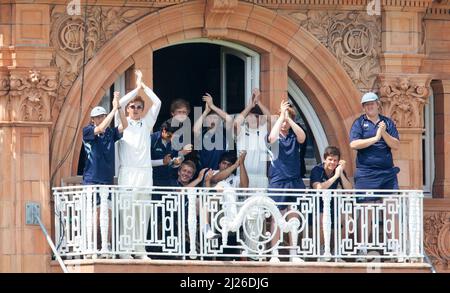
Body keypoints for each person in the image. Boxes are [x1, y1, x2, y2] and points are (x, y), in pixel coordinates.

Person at [349, 91, 400, 261]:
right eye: (366, 104)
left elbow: (396, 145)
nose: (369, 106)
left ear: (378, 104)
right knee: (366, 212)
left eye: (372, 103)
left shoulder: (387, 122)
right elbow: (353, 144)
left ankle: (394, 250)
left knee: (391, 210)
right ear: (363, 108)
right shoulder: (359, 123)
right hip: (366, 174)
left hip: (387, 174)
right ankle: (362, 250)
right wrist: (375, 137)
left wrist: (383, 133)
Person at [117, 70, 161, 260]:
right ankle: (125, 251)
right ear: (128, 109)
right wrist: (135, 88)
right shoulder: (123, 123)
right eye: (132, 106)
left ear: (142, 110)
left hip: (144, 172)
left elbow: (158, 102)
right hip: (127, 173)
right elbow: (118, 104)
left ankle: (140, 250)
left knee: (143, 213)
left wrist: (144, 87)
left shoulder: (147, 124)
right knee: (126, 212)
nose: (135, 109)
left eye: (138, 107)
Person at [82, 91, 128, 257]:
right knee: (94, 214)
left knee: (106, 213)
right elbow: (100, 128)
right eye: (98, 117)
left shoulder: (109, 133)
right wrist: (113, 110)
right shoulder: (88, 130)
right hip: (92, 180)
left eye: (103, 116)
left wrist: (119, 108)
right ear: (93, 119)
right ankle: (93, 245)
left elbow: (124, 126)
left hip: (106, 180)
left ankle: (106, 246)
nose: (101, 119)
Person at [267, 100, 306, 263]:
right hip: (278, 180)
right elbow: (272, 137)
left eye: (287, 120)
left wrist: (289, 118)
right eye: (282, 119)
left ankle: (294, 253)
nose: (284, 123)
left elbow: (302, 137)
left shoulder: (294, 135)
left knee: (294, 216)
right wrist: (281, 116)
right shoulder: (275, 132)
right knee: (277, 216)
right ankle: (274, 253)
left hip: (294, 180)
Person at [309, 146, 352, 261]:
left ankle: (337, 251)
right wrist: (335, 177)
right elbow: (318, 188)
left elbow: (349, 190)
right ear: (324, 159)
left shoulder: (338, 170)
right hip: (316, 206)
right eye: (330, 159)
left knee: (349, 221)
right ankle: (323, 250)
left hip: (333, 206)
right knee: (323, 219)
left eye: (335, 160)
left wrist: (341, 174)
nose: (332, 162)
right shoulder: (317, 170)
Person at [193, 93, 234, 171]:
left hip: (221, 174)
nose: (212, 120)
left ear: (219, 121)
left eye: (215, 118)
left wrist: (212, 106)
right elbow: (195, 129)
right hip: (205, 175)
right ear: (205, 120)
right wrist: (206, 111)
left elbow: (229, 119)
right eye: (209, 118)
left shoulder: (225, 134)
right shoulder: (202, 134)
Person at [151, 118, 192, 186]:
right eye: (170, 135)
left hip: (168, 181)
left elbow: (172, 163)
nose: (172, 139)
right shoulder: (152, 139)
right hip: (151, 180)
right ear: (164, 130)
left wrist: (179, 158)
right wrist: (162, 162)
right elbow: (144, 162)